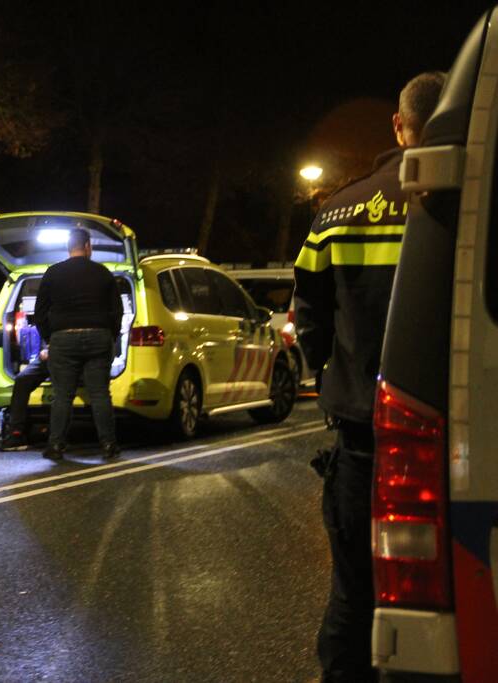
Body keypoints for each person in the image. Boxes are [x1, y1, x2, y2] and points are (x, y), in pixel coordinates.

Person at [294, 71, 446, 683]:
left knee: (354, 591)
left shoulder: (337, 210)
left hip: (363, 431)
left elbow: (308, 319)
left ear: (397, 124)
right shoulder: (467, 204)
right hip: (451, 431)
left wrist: (334, 372)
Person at [34, 227, 123, 461]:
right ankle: (109, 445)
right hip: (98, 336)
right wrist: (110, 336)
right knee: (100, 394)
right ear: (88, 246)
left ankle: (56, 445)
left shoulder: (53, 273)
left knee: (63, 395)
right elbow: (117, 311)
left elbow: (39, 312)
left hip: (63, 339)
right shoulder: (103, 273)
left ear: (69, 247)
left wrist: (50, 337)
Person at [0, 347, 50, 451]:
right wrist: (46, 349)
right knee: (22, 379)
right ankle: (16, 434)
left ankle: (57, 440)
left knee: (62, 385)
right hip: (55, 352)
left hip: (78, 354)